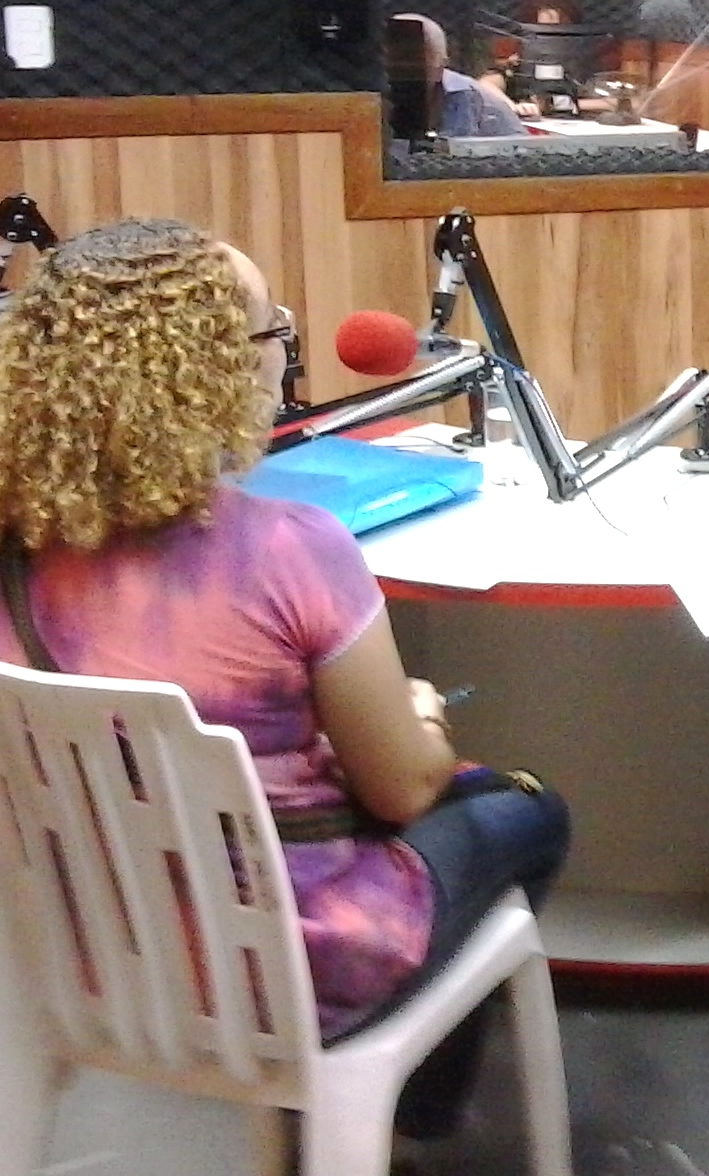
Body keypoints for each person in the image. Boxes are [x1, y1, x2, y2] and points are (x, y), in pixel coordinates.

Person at [0, 218, 570, 1139]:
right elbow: (402, 791)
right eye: (275, 331)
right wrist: (423, 719)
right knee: (528, 810)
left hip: (91, 959)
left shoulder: (15, 550)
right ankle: (417, 1114)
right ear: (212, 370)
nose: (284, 353)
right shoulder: (290, 550)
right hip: (298, 975)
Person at [393, 12, 524, 137]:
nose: (404, 66)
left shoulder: (460, 93)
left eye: (416, 58)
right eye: (397, 56)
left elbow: (456, 147)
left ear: (442, 63)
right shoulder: (398, 94)